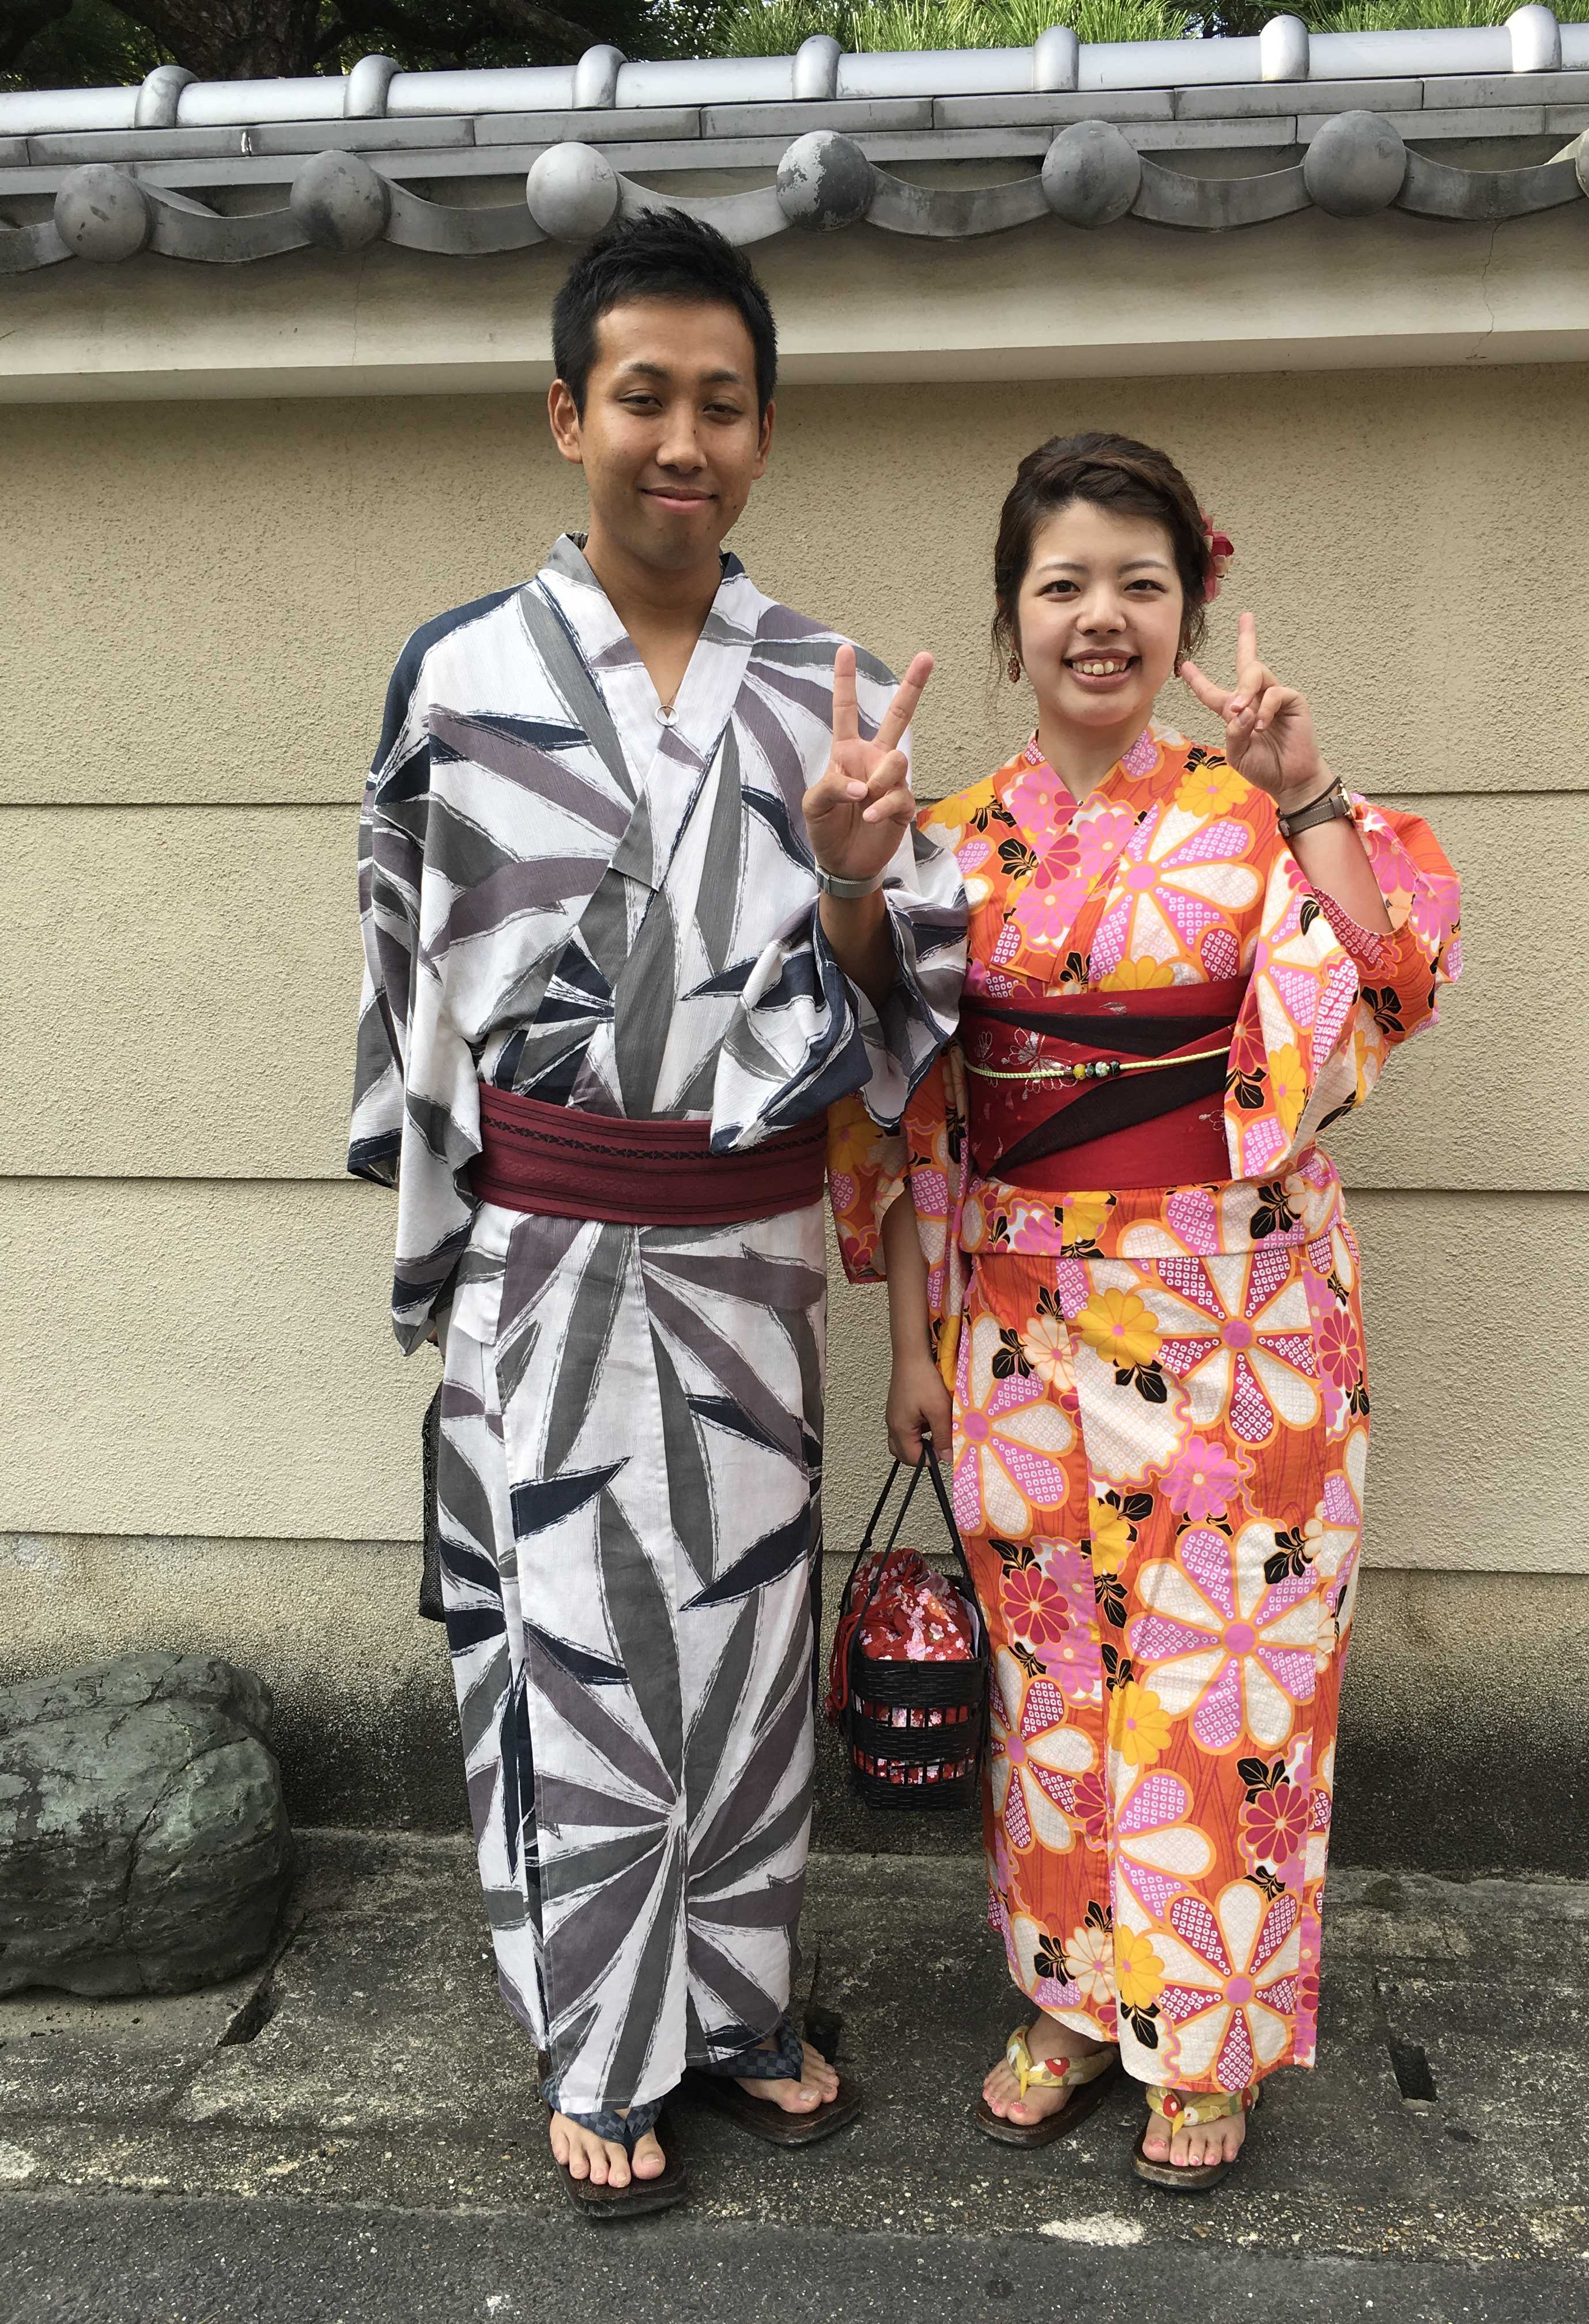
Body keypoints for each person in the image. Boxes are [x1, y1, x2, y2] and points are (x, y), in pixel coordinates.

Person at [348, 210, 966, 2219]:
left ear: (764, 435)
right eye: (643, 398)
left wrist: (855, 879)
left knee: (744, 1637)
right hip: (546, 1247)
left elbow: (900, 1016)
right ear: (569, 416)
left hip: (749, 1253)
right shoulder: (457, 677)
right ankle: (604, 2041)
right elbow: (407, 989)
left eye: (723, 403)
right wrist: (442, 1236)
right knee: (576, 1643)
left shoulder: (829, 688)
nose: (681, 440)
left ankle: (739, 2005)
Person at [831, 431, 1460, 2193]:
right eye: (1063, 585)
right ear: (1012, 617)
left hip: (1237, 1305)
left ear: (1188, 610)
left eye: (1140, 584)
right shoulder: (950, 844)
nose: (1100, 617)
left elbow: (1389, 981)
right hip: (1016, 1307)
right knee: (1053, 1673)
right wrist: (910, 1346)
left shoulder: (1255, 818)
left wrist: (1312, 796)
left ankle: (1204, 2035)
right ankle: (1072, 1997)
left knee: (1220, 1685)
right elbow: (903, 1098)